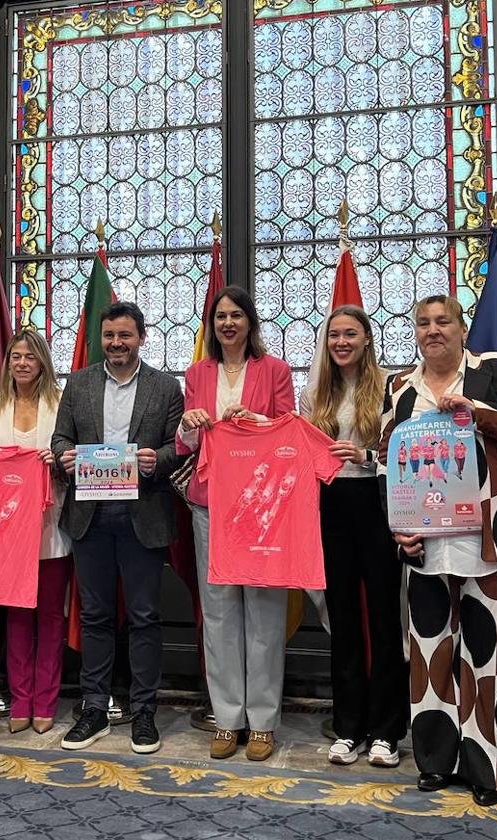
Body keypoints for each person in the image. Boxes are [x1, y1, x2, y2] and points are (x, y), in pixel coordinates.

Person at [383, 295, 497, 807]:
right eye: (423, 323)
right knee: (429, 656)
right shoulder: (399, 387)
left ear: (462, 327)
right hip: (425, 545)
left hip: (489, 539)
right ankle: (436, 761)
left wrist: (479, 415)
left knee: (490, 658)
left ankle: (490, 770)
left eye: (443, 321)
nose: (433, 331)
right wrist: (398, 527)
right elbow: (390, 462)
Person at [51, 301, 183, 754]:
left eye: (125, 335)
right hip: (90, 513)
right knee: (95, 616)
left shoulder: (166, 388)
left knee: (145, 617)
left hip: (142, 513)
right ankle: (94, 709)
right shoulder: (80, 384)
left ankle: (144, 713)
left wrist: (156, 461)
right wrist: (66, 457)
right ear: (100, 339)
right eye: (109, 336)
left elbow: (176, 448)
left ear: (142, 338)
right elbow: (60, 437)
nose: (116, 343)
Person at [177, 286, 295, 761]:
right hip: (210, 506)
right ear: (212, 324)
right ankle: (227, 719)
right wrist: (189, 423)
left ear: (250, 322)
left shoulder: (275, 370)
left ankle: (263, 722)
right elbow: (184, 445)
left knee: (264, 610)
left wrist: (257, 422)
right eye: (220, 316)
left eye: (236, 315)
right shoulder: (196, 373)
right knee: (221, 611)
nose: (227, 323)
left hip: (262, 507)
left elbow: (290, 433)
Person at [299, 304, 408, 767]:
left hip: (377, 503)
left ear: (366, 338)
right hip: (330, 507)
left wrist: (366, 456)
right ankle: (348, 727)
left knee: (385, 619)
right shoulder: (315, 392)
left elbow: (406, 451)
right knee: (342, 620)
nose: (340, 342)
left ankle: (386, 731)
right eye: (333, 335)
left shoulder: (391, 387)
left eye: (350, 334)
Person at [0, 329, 71, 735]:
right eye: (15, 356)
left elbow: (75, 455)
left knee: (51, 616)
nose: (21, 363)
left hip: (52, 526)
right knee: (17, 617)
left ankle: (45, 701)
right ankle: (20, 700)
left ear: (42, 363)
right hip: (7, 531)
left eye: (30, 357)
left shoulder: (61, 404)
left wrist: (58, 460)